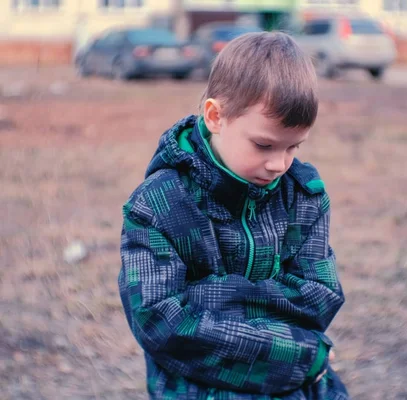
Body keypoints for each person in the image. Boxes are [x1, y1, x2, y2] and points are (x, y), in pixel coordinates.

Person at [118, 31, 348, 400]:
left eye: (294, 147)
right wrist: (301, 353)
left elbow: (320, 297)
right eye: (263, 144)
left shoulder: (305, 196)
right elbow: (161, 324)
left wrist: (205, 299)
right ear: (215, 116)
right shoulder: (157, 205)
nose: (279, 164)